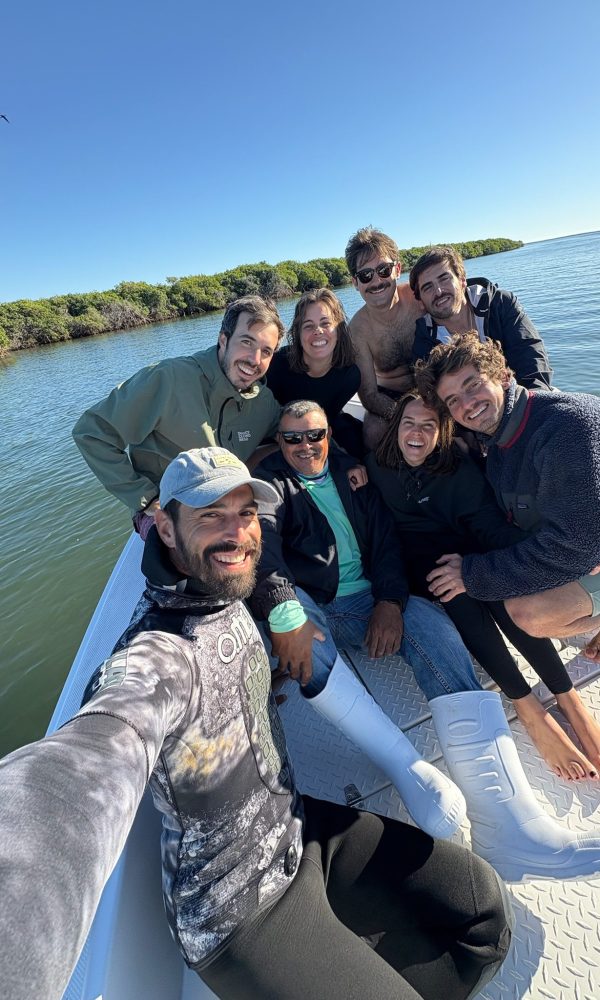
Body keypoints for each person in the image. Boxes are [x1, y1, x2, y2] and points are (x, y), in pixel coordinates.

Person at [0, 446, 513, 1000]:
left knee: (482, 915)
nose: (236, 532)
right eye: (209, 515)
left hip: (299, 829)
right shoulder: (155, 655)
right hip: (239, 908)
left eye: (245, 513)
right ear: (165, 529)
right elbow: (87, 759)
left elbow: (272, 576)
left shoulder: (230, 591)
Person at [251, 400, 600, 881]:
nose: (305, 446)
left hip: (370, 597)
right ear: (280, 441)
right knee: (298, 626)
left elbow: (387, 540)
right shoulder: (271, 485)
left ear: (331, 435)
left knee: (439, 635)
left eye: (315, 435)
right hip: (315, 603)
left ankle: (509, 828)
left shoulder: (355, 474)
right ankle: (406, 766)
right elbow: (263, 543)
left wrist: (391, 601)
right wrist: (283, 609)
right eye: (293, 438)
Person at [367, 390, 599, 781]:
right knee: (457, 594)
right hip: (423, 564)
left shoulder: (457, 467)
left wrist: (556, 566)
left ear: (442, 433)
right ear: (397, 429)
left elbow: (490, 527)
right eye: (409, 423)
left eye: (429, 426)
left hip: (469, 549)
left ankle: (566, 694)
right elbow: (382, 536)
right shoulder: (376, 468)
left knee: (493, 588)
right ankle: (526, 705)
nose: (417, 434)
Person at [415, 334, 600, 770]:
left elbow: (577, 545)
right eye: (454, 400)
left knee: (527, 613)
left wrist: (474, 574)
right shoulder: (497, 444)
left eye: (473, 385)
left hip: (589, 547)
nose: (468, 404)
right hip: (584, 550)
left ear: (503, 374)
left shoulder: (565, 426)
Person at [72, 294, 284, 537]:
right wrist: (146, 496)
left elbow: (289, 433)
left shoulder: (263, 402)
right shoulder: (168, 378)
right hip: (166, 507)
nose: (254, 359)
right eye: (246, 342)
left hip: (229, 505)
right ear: (223, 340)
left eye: (266, 351)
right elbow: (91, 432)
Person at [409, 246, 552, 390]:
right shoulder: (425, 339)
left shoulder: (500, 304)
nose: (439, 291)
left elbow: (532, 361)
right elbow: (431, 394)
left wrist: (527, 403)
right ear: (420, 302)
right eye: (428, 287)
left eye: (445, 279)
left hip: (522, 398)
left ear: (462, 280)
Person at [344, 227, 424, 448]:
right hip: (391, 397)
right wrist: (409, 416)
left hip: (438, 387)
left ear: (397, 269)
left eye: (383, 270)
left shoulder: (420, 300)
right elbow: (369, 395)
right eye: (366, 275)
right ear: (355, 283)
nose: (376, 281)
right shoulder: (357, 331)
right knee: (373, 430)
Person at [266, 287, 364, 457]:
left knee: (356, 441)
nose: (318, 331)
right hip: (282, 435)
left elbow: (328, 418)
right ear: (298, 334)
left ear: (339, 330)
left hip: (322, 426)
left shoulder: (349, 376)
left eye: (325, 323)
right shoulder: (277, 366)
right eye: (308, 326)